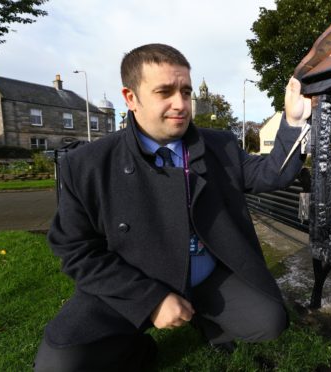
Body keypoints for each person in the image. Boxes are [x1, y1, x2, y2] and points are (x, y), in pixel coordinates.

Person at [33, 43, 311, 371]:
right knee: (58, 365)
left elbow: (269, 174)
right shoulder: (87, 164)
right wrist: (150, 301)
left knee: (269, 321)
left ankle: (206, 318)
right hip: (129, 282)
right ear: (130, 98)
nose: (180, 104)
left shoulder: (218, 145)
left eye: (185, 91)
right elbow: (75, 249)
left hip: (205, 277)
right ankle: (135, 339)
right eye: (164, 91)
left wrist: (292, 121)